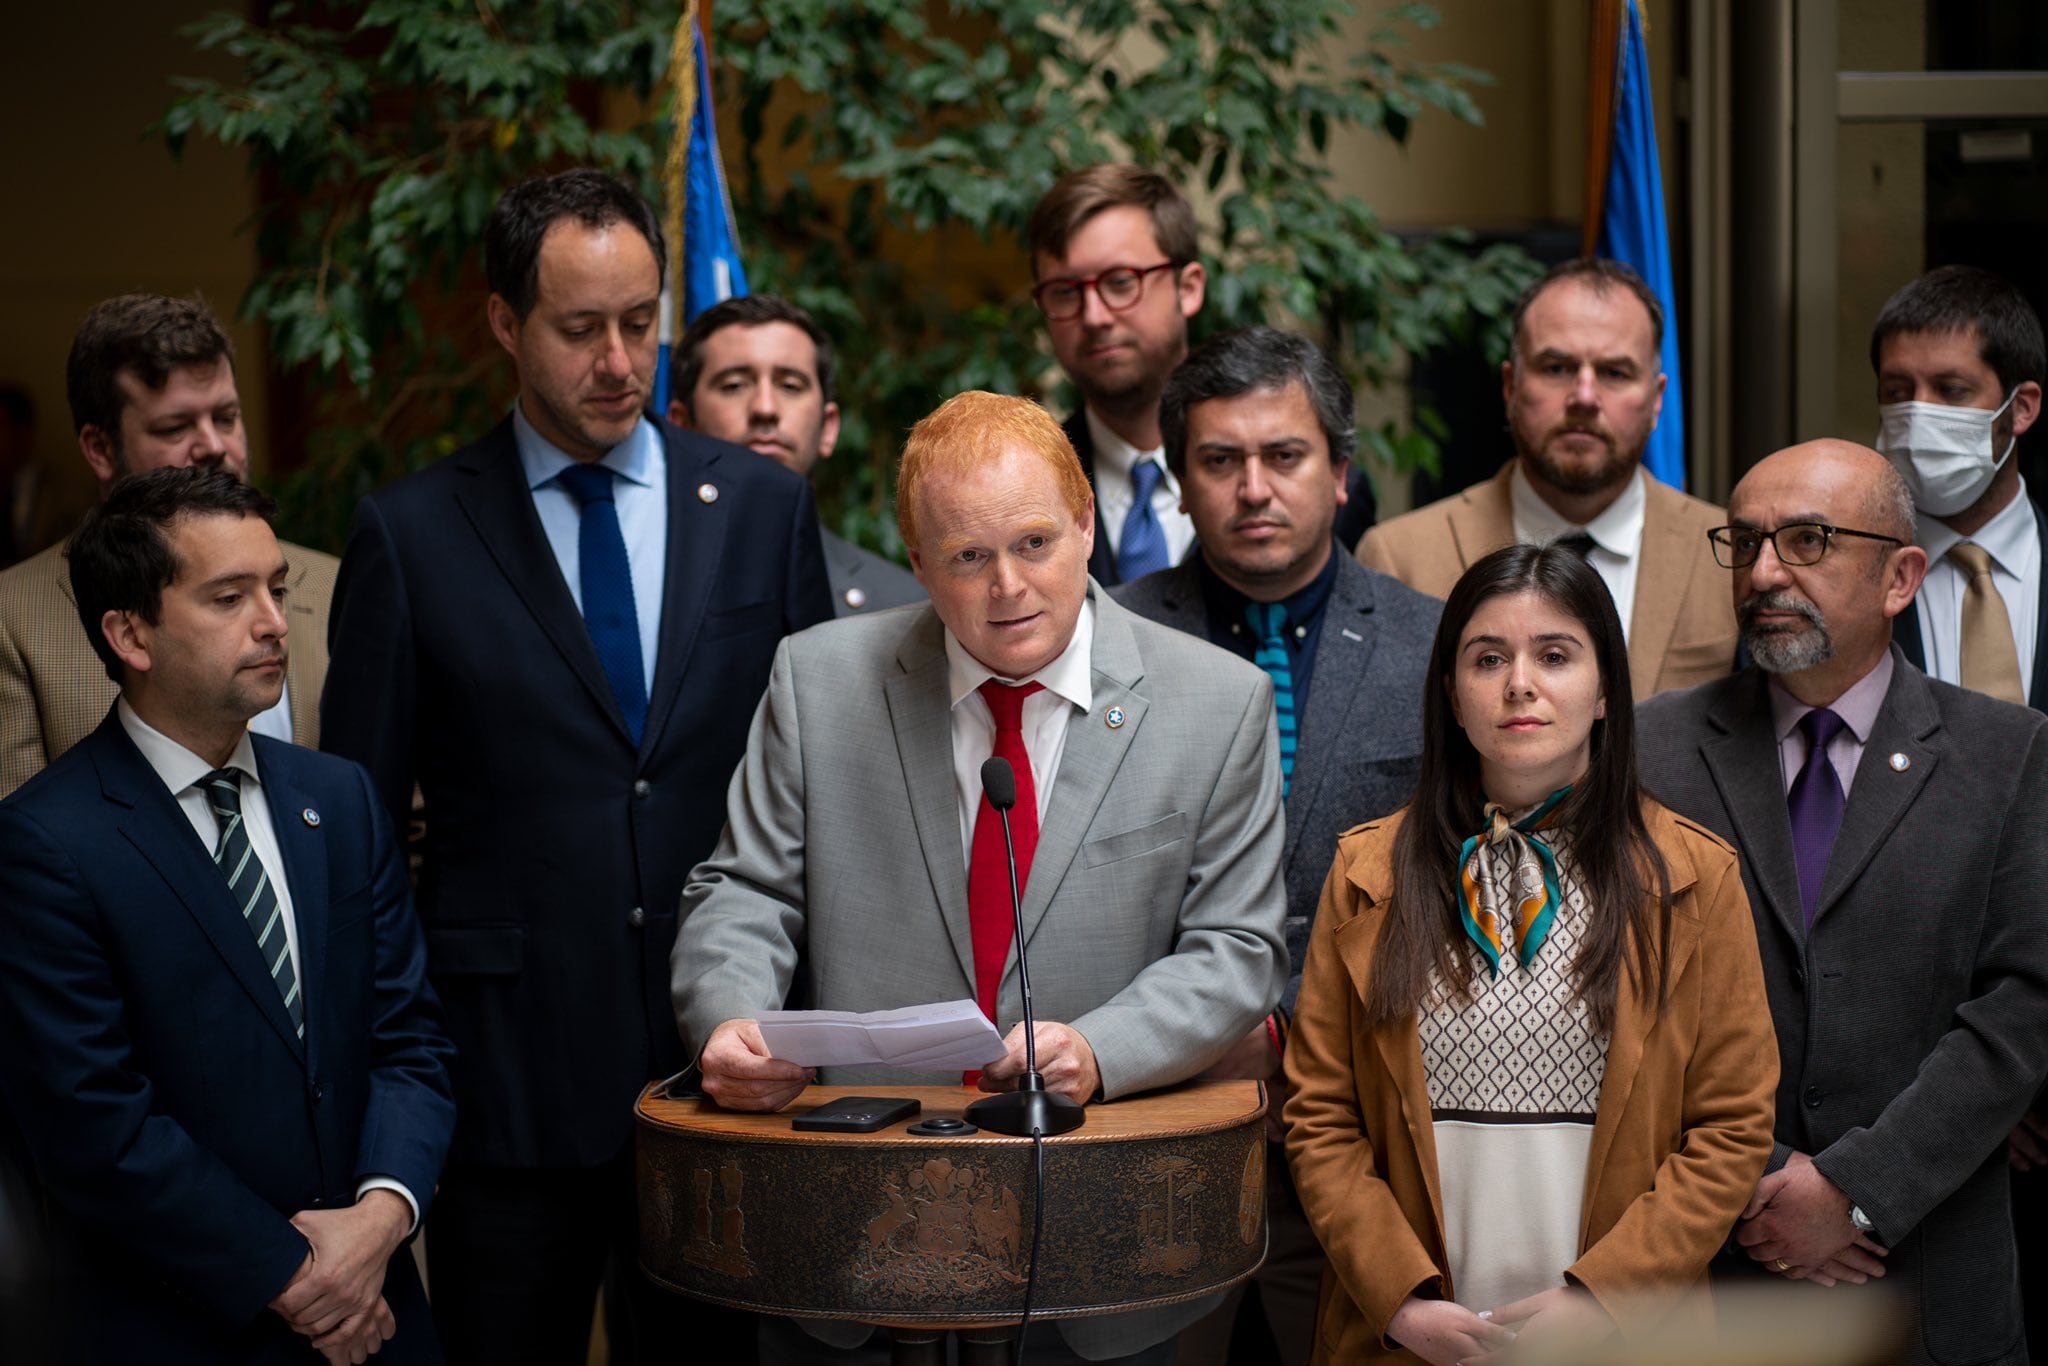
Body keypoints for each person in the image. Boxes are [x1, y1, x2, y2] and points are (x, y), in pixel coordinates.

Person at [320, 169, 832, 1366]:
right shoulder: (411, 532)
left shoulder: (758, 507)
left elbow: (819, 791)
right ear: (504, 323)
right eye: (579, 327)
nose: (619, 359)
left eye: (641, 322)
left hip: (727, 1074)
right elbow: (358, 833)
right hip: (504, 1082)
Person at [672, 390, 1289, 1364]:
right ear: (916, 563)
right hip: (860, 1228)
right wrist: (730, 1016)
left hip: (1102, 1237)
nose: (1008, 586)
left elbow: (1238, 949)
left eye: (1035, 541)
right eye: (966, 556)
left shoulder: (1216, 702)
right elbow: (742, 890)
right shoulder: (816, 681)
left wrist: (1100, 1046)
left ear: (1086, 522)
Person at [0, 466, 455, 1363]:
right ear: (129, 632)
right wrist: (298, 1278)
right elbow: (97, 1126)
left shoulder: (342, 798)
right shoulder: (44, 842)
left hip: (382, 1313)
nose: (275, 621)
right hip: (188, 1323)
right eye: (229, 596)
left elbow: (411, 1040)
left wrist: (378, 1221)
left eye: (277, 589)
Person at [1284, 542, 1778, 1366]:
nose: (1520, 683)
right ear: (1451, 694)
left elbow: (1731, 1128)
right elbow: (1320, 1117)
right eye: (1488, 659)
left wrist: (1604, 1300)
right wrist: (1400, 1300)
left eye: (1555, 655)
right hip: (1414, 1335)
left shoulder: (1696, 878)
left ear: (1605, 693)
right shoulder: (1367, 875)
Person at [1637, 439, 2048, 1366]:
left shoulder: (2008, 754)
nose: (1765, 573)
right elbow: (1622, 1001)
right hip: (1712, 1275)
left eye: (1808, 540)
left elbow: (2025, 1005)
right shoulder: (1650, 751)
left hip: (1928, 1279)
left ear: (1901, 576)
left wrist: (1858, 1189)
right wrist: (1770, 1176)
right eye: (1744, 544)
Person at [1114, 326, 1439, 1365]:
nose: (1253, 487)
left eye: (1283, 456)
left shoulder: (1436, 649)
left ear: (1339, 474)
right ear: (1179, 480)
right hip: (1154, 1148)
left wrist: (1301, 1032)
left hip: (1371, 1149)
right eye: (1218, 461)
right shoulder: (1104, 646)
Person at [0, 294, 337, 799]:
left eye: (226, 417)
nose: (213, 446)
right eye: (175, 427)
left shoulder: (336, 586)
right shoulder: (14, 617)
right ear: (99, 448)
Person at [1358, 257, 1737, 699]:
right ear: (1510, 386)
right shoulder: (1401, 560)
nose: (1584, 397)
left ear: (1656, 401)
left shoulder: (1728, 558)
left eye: (1615, 373)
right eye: (1556, 368)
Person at [1028, 164, 1373, 586]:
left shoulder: (1322, 492)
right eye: (1064, 291)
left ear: (1188, 288)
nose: (1094, 316)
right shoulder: (1031, 490)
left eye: (1121, 282)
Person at [667, 292, 923, 616]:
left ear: (828, 429)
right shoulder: (643, 579)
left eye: (790, 385)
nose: (765, 408)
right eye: (733, 385)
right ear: (681, 426)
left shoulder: (904, 608)